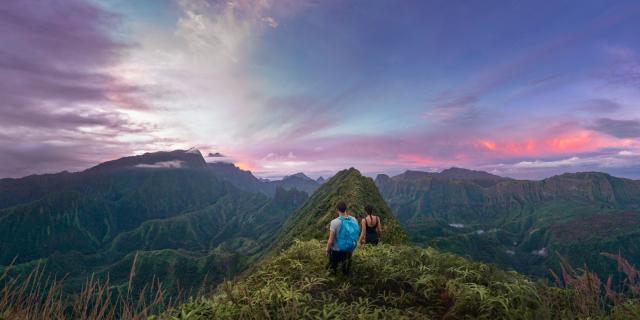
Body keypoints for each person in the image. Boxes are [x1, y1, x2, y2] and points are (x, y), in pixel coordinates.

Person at [326, 201, 360, 276]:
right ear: (346, 209)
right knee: (346, 270)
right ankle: (346, 282)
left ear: (337, 210)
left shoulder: (334, 222)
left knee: (333, 270)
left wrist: (327, 250)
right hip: (349, 249)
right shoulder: (354, 219)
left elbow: (330, 241)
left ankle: (333, 284)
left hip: (336, 250)